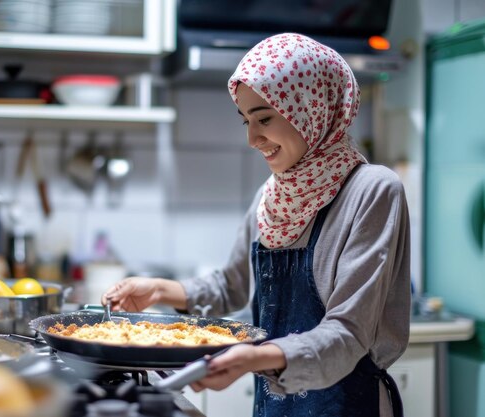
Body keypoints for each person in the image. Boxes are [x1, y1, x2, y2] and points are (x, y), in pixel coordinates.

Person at [103, 33, 411, 417]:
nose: (252, 138)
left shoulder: (373, 190)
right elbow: (231, 286)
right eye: (246, 120)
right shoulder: (272, 196)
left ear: (309, 107)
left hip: (348, 404)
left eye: (264, 118)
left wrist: (252, 359)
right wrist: (158, 290)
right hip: (274, 403)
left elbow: (348, 334)